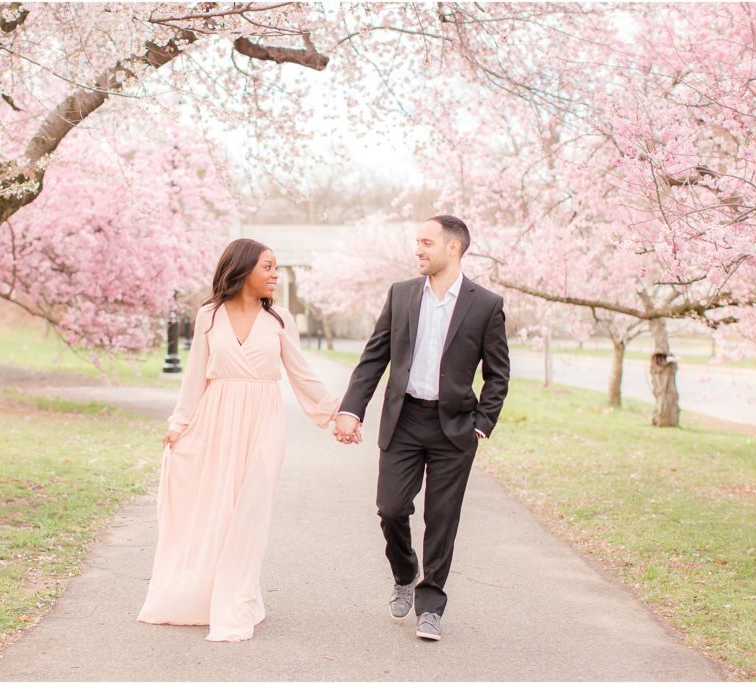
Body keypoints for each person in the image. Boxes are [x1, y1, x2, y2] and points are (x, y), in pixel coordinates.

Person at [138, 238, 340, 642]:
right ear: (244, 268)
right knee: (217, 511)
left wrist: (338, 413)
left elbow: (301, 374)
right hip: (216, 417)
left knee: (249, 511)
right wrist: (180, 424)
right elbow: (195, 374)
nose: (275, 275)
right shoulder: (209, 315)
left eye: (277, 267)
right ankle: (202, 596)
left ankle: (236, 600)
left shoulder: (280, 319)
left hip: (264, 420)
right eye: (268, 267)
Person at [333, 215, 510, 641]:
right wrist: (350, 409)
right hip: (405, 419)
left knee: (442, 519)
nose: (418, 249)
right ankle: (404, 571)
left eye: (427, 242)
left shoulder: (485, 304)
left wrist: (481, 425)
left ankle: (431, 605)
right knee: (391, 508)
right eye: (417, 242)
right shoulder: (402, 295)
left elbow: (498, 374)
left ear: (453, 248)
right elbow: (374, 357)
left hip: (455, 428)